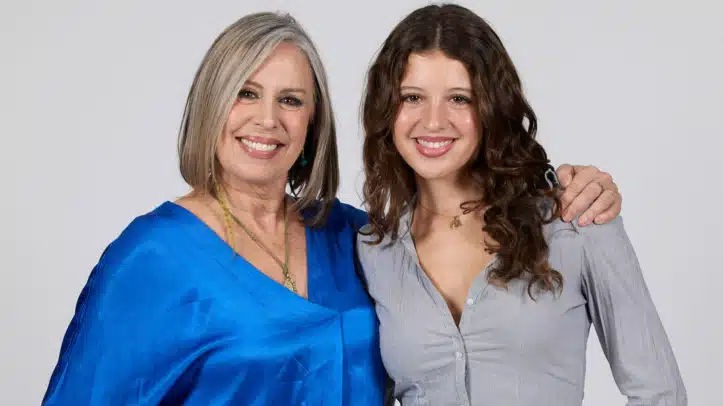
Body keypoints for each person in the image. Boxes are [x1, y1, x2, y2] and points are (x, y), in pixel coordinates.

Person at [42, 11, 623, 406]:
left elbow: (456, 229)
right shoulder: (149, 260)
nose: (267, 120)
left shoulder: (353, 237)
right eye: (246, 93)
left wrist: (562, 187)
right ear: (210, 104)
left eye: (291, 100)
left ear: (312, 123)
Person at [357, 4, 685, 406]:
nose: (434, 121)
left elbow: (659, 393)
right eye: (412, 97)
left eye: (459, 98)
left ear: (491, 107)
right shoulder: (374, 250)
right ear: (386, 109)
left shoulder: (576, 219)